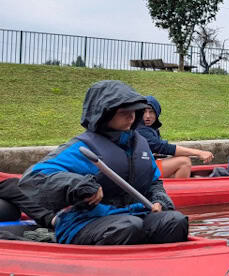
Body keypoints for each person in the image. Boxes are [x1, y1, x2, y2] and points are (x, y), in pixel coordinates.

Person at [18, 80, 188, 245]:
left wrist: (160, 201)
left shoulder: (140, 144)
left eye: (135, 111)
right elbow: (33, 178)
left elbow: (154, 183)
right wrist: (80, 185)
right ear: (104, 114)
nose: (131, 116)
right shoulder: (82, 147)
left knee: (175, 221)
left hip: (135, 215)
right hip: (85, 221)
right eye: (124, 112)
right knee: (127, 227)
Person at [135, 96, 214, 178]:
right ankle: (181, 186)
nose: (147, 116)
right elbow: (162, 147)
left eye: (151, 112)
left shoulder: (149, 128)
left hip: (145, 165)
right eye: (144, 112)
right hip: (139, 171)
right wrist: (199, 153)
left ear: (157, 113)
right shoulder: (140, 129)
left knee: (179, 157)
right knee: (184, 162)